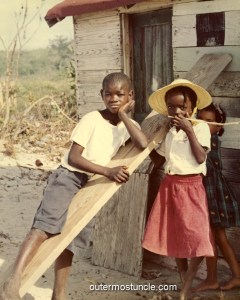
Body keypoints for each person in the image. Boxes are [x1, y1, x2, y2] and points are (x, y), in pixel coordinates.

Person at [0, 72, 148, 300]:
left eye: (120, 94)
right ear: (101, 95)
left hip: (90, 183)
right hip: (68, 177)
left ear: (131, 95)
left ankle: (58, 294)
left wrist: (124, 116)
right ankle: (13, 279)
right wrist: (108, 171)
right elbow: (73, 158)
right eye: (108, 94)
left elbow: (143, 143)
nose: (114, 99)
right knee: (45, 226)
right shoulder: (91, 119)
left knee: (70, 239)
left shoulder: (128, 125)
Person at [142, 79, 214, 300]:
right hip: (170, 186)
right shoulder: (170, 131)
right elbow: (160, 160)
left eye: (183, 107)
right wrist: (145, 145)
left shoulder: (201, 128)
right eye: (172, 107)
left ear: (192, 108)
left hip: (191, 187)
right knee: (175, 237)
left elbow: (200, 157)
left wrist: (189, 130)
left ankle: (186, 285)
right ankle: (184, 285)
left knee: (198, 238)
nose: (177, 111)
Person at [194, 103, 240, 292]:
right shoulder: (204, 138)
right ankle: (226, 277)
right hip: (210, 191)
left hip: (212, 193)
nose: (203, 125)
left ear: (219, 128)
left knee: (214, 237)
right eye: (200, 120)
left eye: (209, 122)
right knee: (215, 237)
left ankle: (221, 278)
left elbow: (204, 163)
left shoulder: (210, 141)